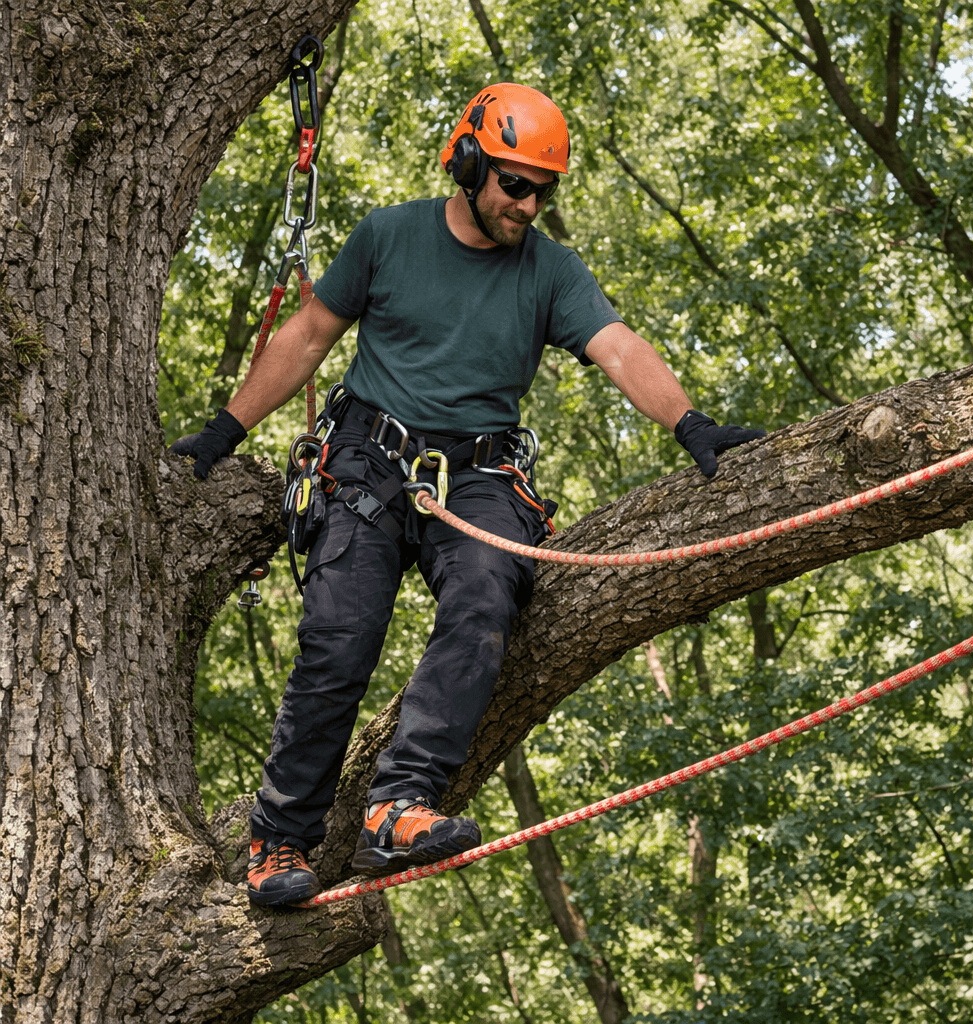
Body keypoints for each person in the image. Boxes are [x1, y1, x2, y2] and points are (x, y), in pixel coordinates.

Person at [171, 83, 764, 906]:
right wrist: (224, 431)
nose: (528, 204)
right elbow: (308, 335)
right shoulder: (389, 236)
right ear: (470, 163)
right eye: (514, 184)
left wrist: (690, 424)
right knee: (339, 641)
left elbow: (619, 347)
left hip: (478, 475)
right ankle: (279, 841)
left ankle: (401, 803)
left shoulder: (550, 269)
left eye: (543, 190)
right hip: (369, 466)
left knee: (487, 595)